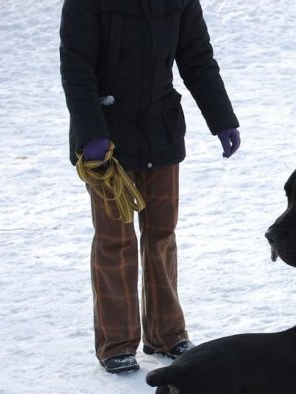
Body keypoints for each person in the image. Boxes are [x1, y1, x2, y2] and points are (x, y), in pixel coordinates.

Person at [60, 0, 240, 374]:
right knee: (115, 240)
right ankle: (116, 344)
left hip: (161, 131)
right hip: (106, 143)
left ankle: (166, 334)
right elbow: (76, 69)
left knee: (161, 234)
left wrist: (222, 118)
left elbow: (197, 60)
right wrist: (92, 132)